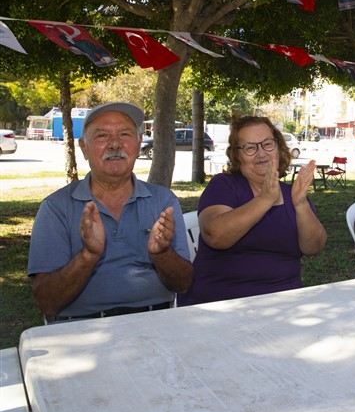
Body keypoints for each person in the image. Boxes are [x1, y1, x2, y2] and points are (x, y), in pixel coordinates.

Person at [28, 102, 193, 322]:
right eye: (102, 136)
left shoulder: (163, 201)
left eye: (124, 134)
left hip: (155, 323)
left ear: (138, 143)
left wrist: (162, 254)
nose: (115, 144)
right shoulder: (56, 207)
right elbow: (47, 301)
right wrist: (88, 256)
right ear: (84, 148)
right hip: (82, 329)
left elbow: (183, 285)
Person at [177, 116, 327, 306]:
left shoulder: (293, 194)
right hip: (217, 305)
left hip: (284, 304)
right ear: (237, 155)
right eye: (250, 148)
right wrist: (265, 199)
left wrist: (300, 204)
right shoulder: (224, 186)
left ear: (278, 147)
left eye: (267, 144)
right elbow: (215, 235)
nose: (261, 154)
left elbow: (314, 247)